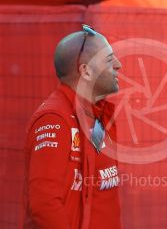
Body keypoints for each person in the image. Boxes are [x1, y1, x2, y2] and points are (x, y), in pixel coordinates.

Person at [22, 25, 122, 229]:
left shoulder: (100, 115)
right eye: (110, 60)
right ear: (85, 70)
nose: (118, 65)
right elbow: (44, 204)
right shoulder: (54, 119)